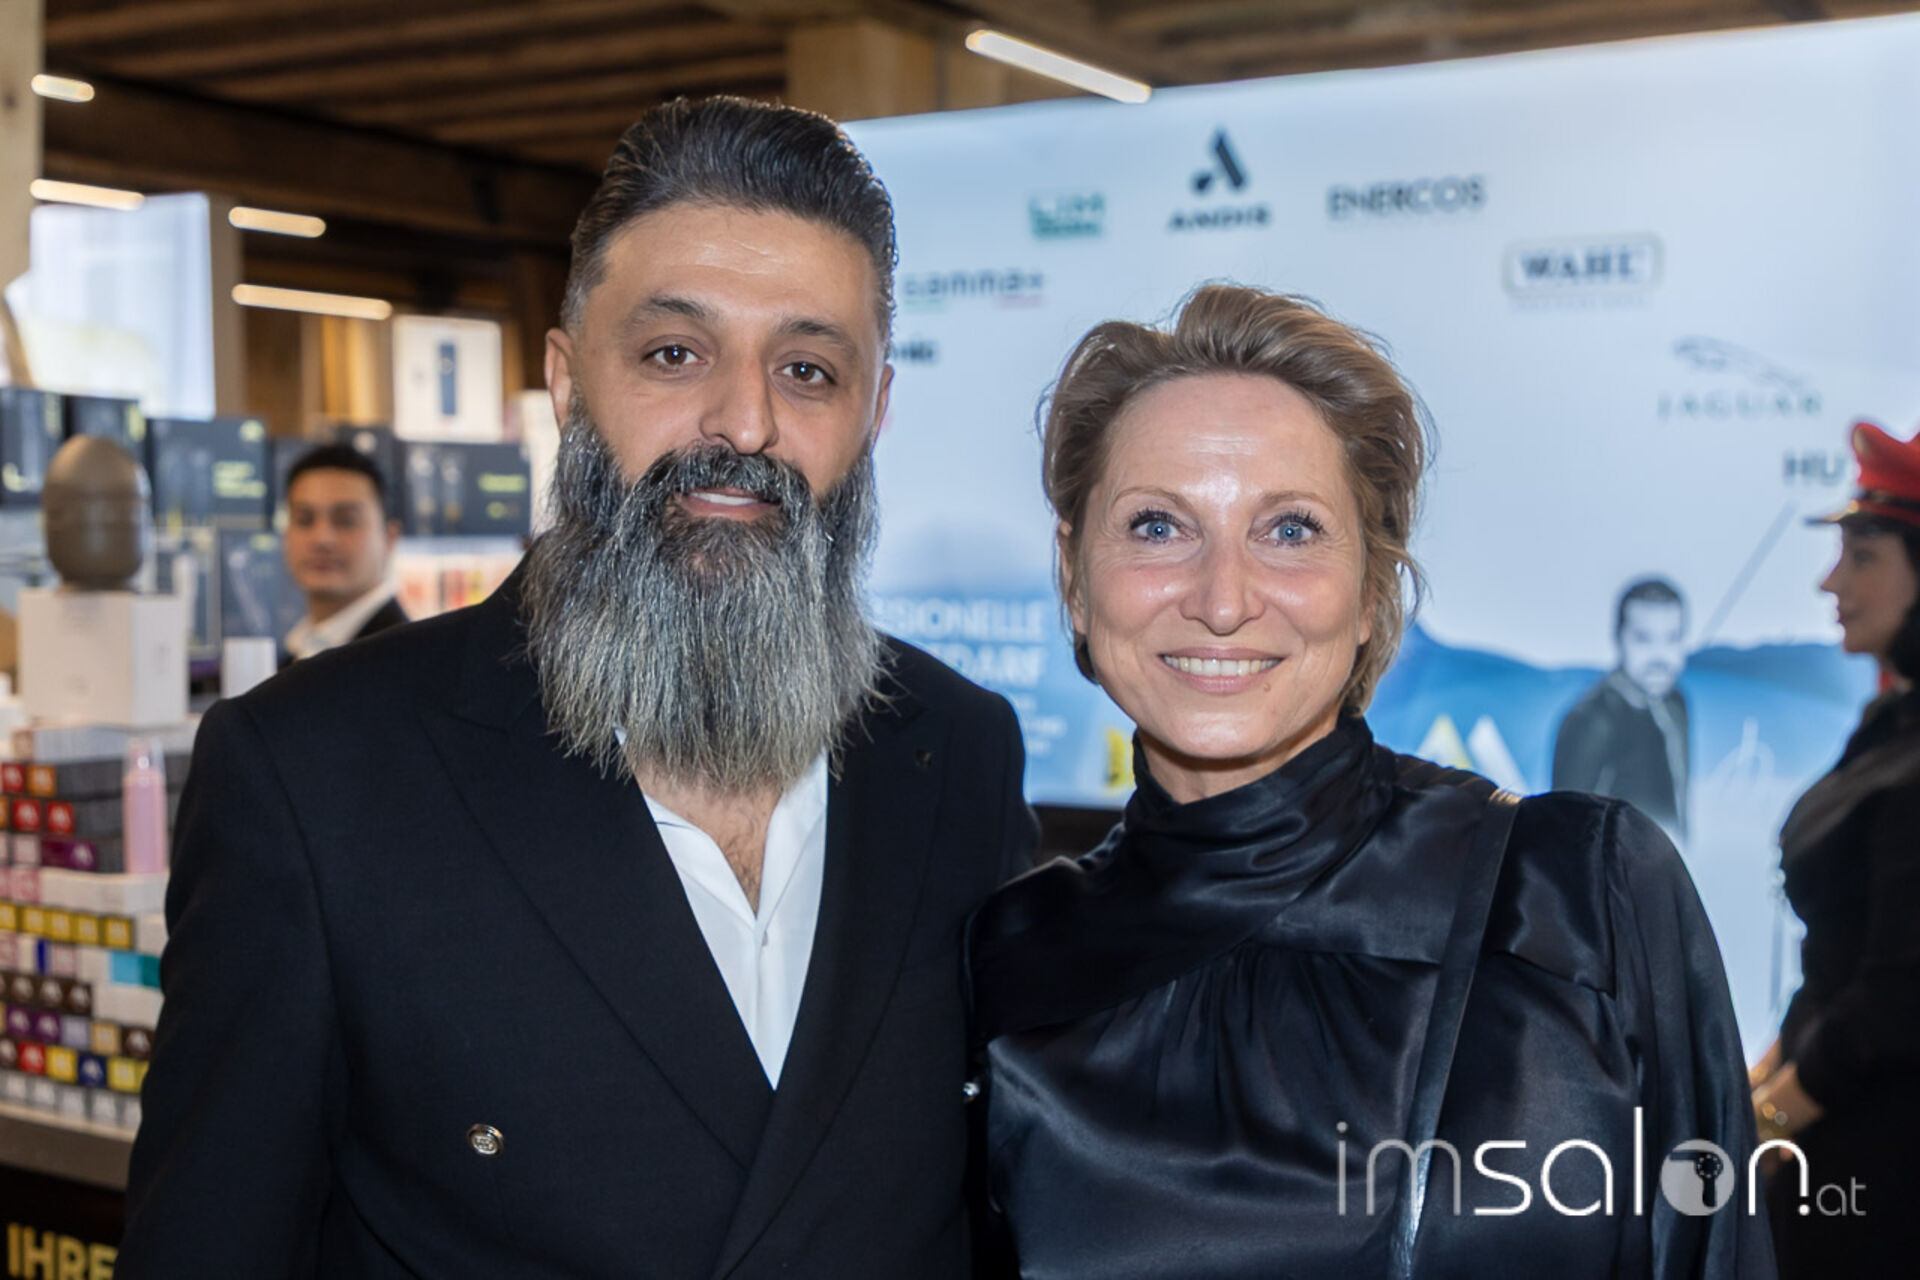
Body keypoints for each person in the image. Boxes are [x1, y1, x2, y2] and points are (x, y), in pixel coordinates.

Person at [120, 97, 1036, 1277]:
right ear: (565, 379)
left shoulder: (959, 751)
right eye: (674, 353)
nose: (744, 420)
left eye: (808, 369)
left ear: (875, 411)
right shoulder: (314, 776)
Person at [967, 286, 1771, 1278]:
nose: (1223, 599)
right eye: (1158, 526)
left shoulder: (1576, 892)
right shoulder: (1008, 960)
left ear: (1371, 591)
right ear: (1075, 576)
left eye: (1290, 530)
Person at [1751, 419, 1920, 1275]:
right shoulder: (1890, 723)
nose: (1831, 580)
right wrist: (1754, 1088)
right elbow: (1840, 965)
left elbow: (1892, 1001)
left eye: (1863, 556)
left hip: (1879, 1168)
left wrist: (1765, 1124)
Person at [1552, 577, 1691, 838]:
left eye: (1672, 638)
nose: (1660, 656)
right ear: (1618, 638)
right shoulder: (1590, 721)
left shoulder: (1675, 705)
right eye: (1643, 639)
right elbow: (1564, 831)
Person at [280, 442, 408, 661]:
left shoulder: (406, 659)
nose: (322, 539)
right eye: (304, 520)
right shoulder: (298, 649)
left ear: (389, 538)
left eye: (345, 521)